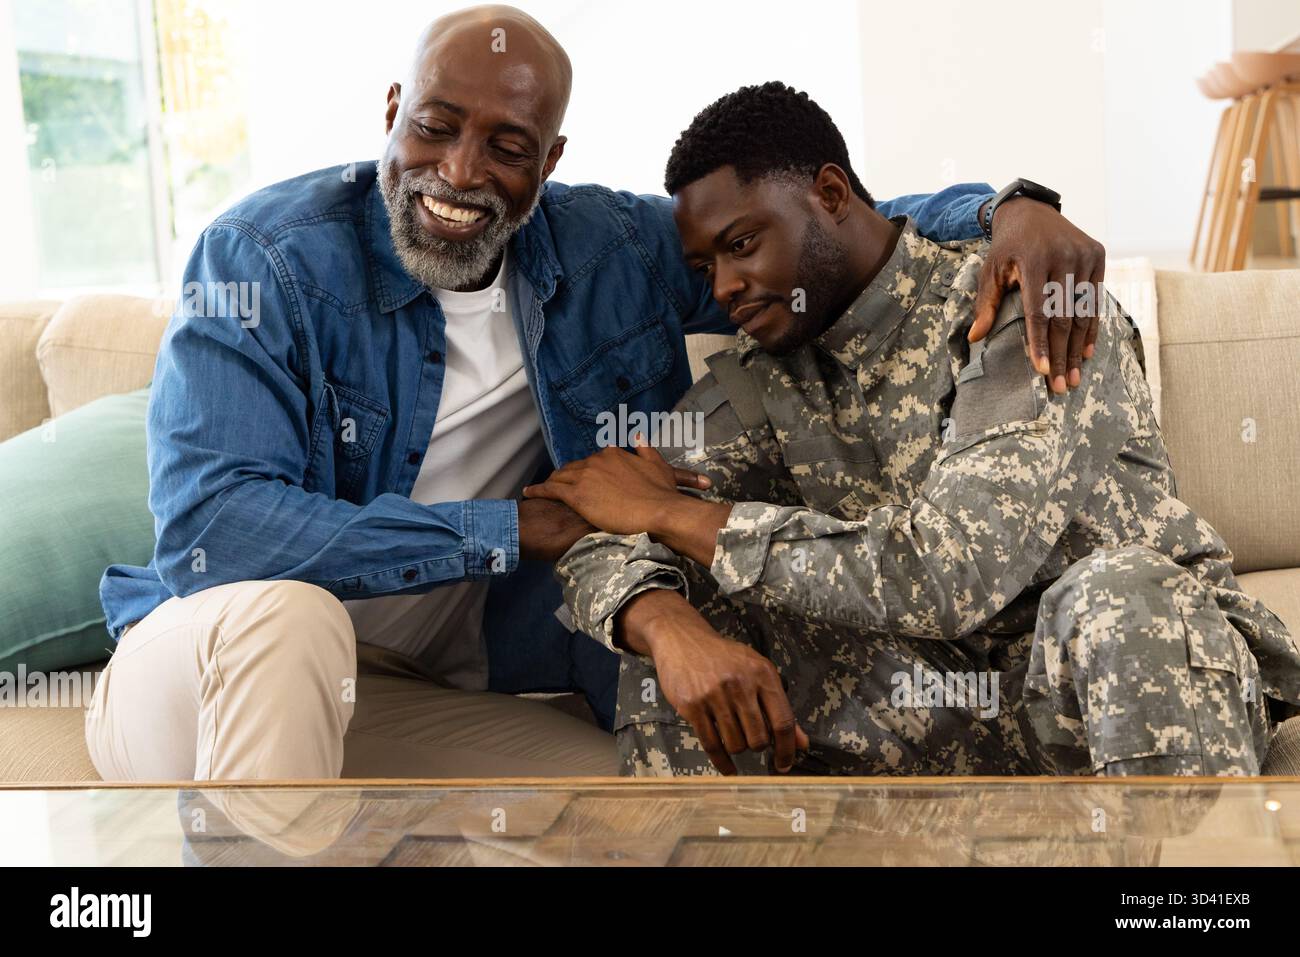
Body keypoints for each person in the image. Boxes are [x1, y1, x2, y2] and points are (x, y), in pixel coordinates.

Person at [87, 6, 1106, 782]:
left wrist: (1007, 208)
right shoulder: (264, 257)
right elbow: (211, 530)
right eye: (436, 127)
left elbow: (820, 227)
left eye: (506, 146)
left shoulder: (606, 251)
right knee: (290, 621)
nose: (460, 171)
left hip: (468, 674)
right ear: (392, 115)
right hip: (226, 667)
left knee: (645, 800)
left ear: (549, 164)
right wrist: (503, 529)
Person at [534, 81, 1300, 777]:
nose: (726, 287)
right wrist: (665, 624)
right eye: (706, 270)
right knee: (682, 620)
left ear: (831, 192)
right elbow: (597, 517)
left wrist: (673, 511)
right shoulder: (765, 376)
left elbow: (951, 569)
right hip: (940, 716)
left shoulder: (1021, 305)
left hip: (1106, 680)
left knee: (1121, 592)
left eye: (741, 245)